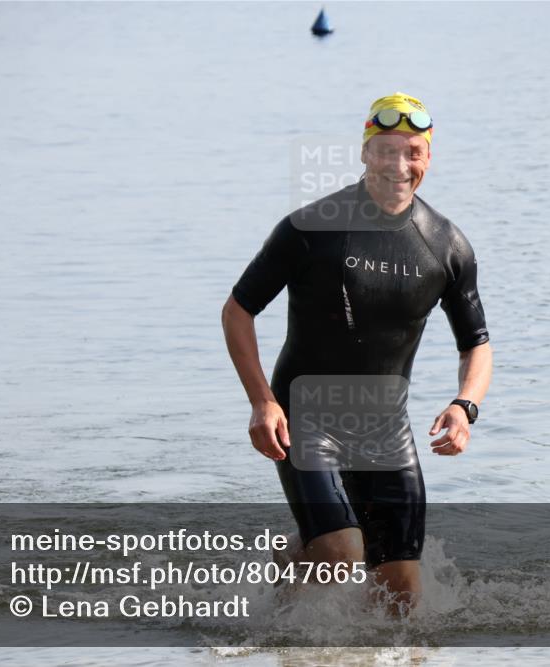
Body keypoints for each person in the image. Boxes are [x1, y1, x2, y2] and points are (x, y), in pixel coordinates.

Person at [221, 92, 493, 615]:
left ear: (428, 158)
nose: (399, 165)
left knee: (402, 605)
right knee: (341, 554)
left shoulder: (446, 244)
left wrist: (466, 406)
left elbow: (476, 344)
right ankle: (289, 581)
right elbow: (237, 312)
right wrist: (262, 402)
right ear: (365, 153)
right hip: (306, 415)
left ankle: (302, 562)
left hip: (386, 428)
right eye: (386, 150)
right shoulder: (308, 229)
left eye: (413, 152)